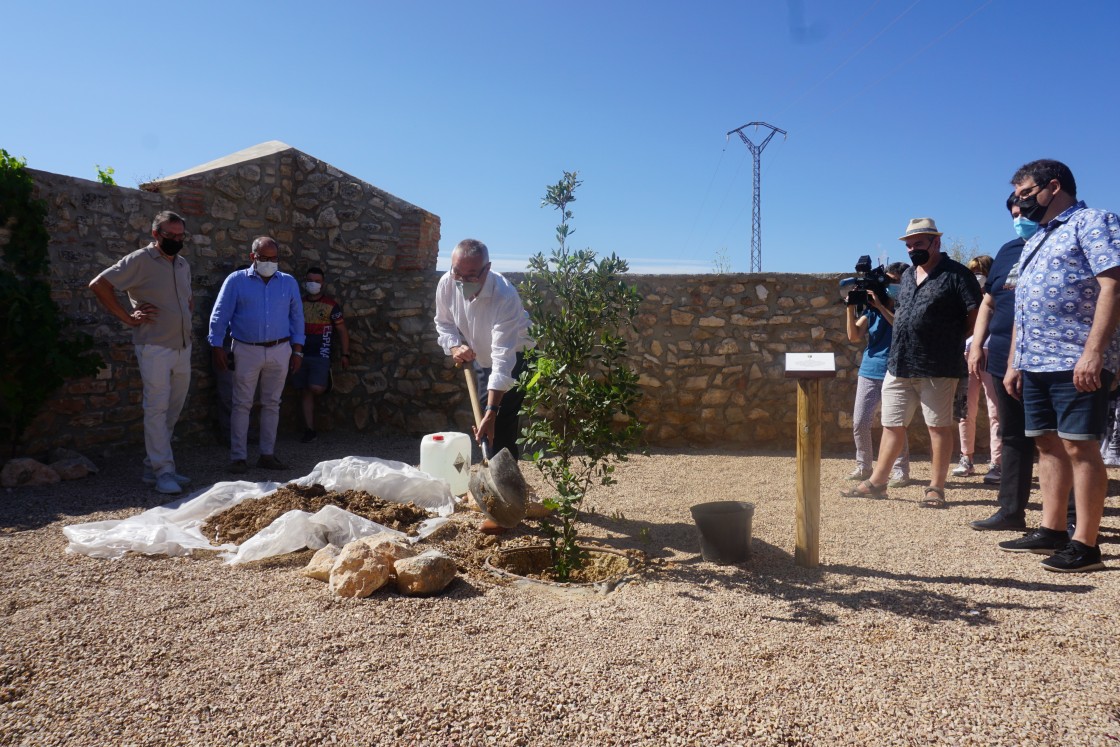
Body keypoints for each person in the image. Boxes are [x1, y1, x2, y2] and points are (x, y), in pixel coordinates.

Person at [997, 159, 1120, 572]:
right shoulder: (1036, 238)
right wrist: (1015, 361)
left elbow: (1113, 284)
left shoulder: (1093, 221)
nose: (1020, 202)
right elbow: (1022, 306)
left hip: (1075, 358)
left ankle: (1085, 543)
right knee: (1047, 443)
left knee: (1079, 446)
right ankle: (1050, 529)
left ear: (1054, 186)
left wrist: (1095, 351)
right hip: (1036, 360)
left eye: (1026, 193)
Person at [841, 218, 982, 507]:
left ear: (936, 242)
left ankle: (936, 488)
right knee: (892, 424)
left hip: (937, 365)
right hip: (899, 363)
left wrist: (949, 339)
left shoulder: (956, 275)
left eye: (918, 243)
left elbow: (974, 316)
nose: (912, 249)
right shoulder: (907, 276)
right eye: (909, 245)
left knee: (938, 427)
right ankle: (878, 482)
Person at [89, 211, 193, 495]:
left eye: (181, 236)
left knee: (173, 409)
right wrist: (127, 317)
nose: (176, 240)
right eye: (170, 236)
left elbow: (187, 298)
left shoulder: (182, 264)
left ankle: (153, 467)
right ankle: (163, 471)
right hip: (154, 346)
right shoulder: (139, 260)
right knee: (156, 409)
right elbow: (99, 284)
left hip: (183, 346)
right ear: (156, 234)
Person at [208, 237, 305, 474]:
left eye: (274, 259)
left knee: (272, 403)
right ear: (253, 257)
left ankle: (267, 454)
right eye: (265, 258)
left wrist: (298, 349)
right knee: (242, 403)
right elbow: (220, 314)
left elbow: (297, 317)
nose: (270, 263)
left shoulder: (288, 283)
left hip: (280, 348)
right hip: (246, 348)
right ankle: (238, 457)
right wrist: (216, 345)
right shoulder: (236, 281)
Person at [434, 239, 533, 458]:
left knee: (501, 419)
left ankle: (506, 484)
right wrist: (454, 346)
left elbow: (503, 359)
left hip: (515, 355)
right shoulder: (447, 283)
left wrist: (492, 412)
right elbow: (444, 322)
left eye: (471, 275)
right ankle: (493, 467)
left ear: (487, 268)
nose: (461, 281)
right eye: (457, 272)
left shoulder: (504, 296)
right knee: (483, 412)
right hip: (481, 355)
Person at [844, 262, 911, 488]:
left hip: (896, 370)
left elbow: (900, 325)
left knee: (895, 424)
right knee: (860, 421)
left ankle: (900, 471)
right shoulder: (871, 310)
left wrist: (882, 306)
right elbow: (854, 336)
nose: (889, 285)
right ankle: (864, 466)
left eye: (894, 281)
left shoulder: (906, 304)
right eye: (887, 280)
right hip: (870, 370)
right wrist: (850, 307)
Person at [953, 255, 1002, 483]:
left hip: (991, 354)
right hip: (965, 355)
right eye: (972, 272)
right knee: (965, 410)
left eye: (980, 271)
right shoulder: (963, 297)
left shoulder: (999, 297)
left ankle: (997, 463)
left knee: (996, 412)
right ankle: (966, 459)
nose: (976, 276)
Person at [291, 267, 350, 443]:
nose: (313, 284)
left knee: (316, 388)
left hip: (321, 353)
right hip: (299, 353)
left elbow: (342, 331)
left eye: (317, 281)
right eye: (310, 280)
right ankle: (310, 430)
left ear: (323, 283)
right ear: (305, 282)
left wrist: (345, 354)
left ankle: (327, 382)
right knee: (305, 391)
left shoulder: (331, 305)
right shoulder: (298, 303)